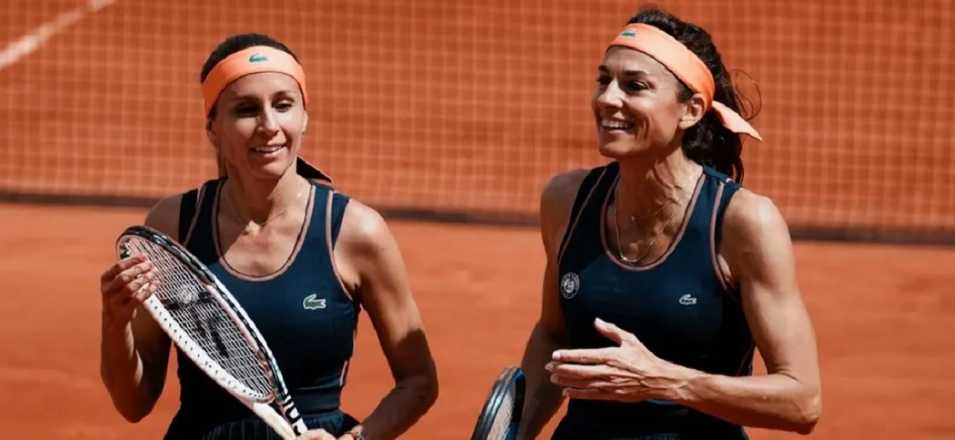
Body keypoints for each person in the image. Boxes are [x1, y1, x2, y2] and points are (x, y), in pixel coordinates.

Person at [99, 33, 438, 440]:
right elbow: (133, 403)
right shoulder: (175, 226)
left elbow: (418, 380)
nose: (269, 126)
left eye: (283, 105)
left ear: (304, 116)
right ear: (213, 128)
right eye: (246, 109)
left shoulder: (355, 232)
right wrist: (115, 321)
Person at [517, 8, 821, 439]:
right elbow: (553, 334)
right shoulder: (566, 200)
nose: (607, 98)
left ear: (691, 110)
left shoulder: (742, 221)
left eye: (634, 86)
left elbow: (802, 400)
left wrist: (663, 381)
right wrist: (515, 430)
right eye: (604, 80)